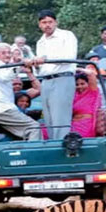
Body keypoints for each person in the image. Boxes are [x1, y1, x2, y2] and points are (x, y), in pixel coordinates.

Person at [26, 9, 78, 140]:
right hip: (46, 80)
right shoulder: (41, 41)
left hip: (63, 77)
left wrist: (45, 58)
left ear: (56, 22)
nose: (47, 25)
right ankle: (53, 145)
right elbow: (42, 68)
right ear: (39, 25)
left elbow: (69, 56)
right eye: (44, 22)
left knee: (60, 118)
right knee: (48, 117)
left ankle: (62, 147)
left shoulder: (66, 35)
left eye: (50, 22)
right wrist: (35, 64)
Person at [0, 43, 42, 141]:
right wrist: (20, 64)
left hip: (1, 107)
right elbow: (4, 77)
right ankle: (33, 155)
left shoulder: (4, 66)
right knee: (34, 127)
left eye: (9, 53)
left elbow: (37, 90)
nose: (7, 55)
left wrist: (25, 68)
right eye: (3, 53)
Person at [71, 68, 102, 138]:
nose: (80, 86)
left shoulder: (92, 92)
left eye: (82, 84)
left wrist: (76, 69)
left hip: (86, 125)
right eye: (77, 84)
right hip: (73, 125)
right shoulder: (74, 95)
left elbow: (91, 74)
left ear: (88, 84)